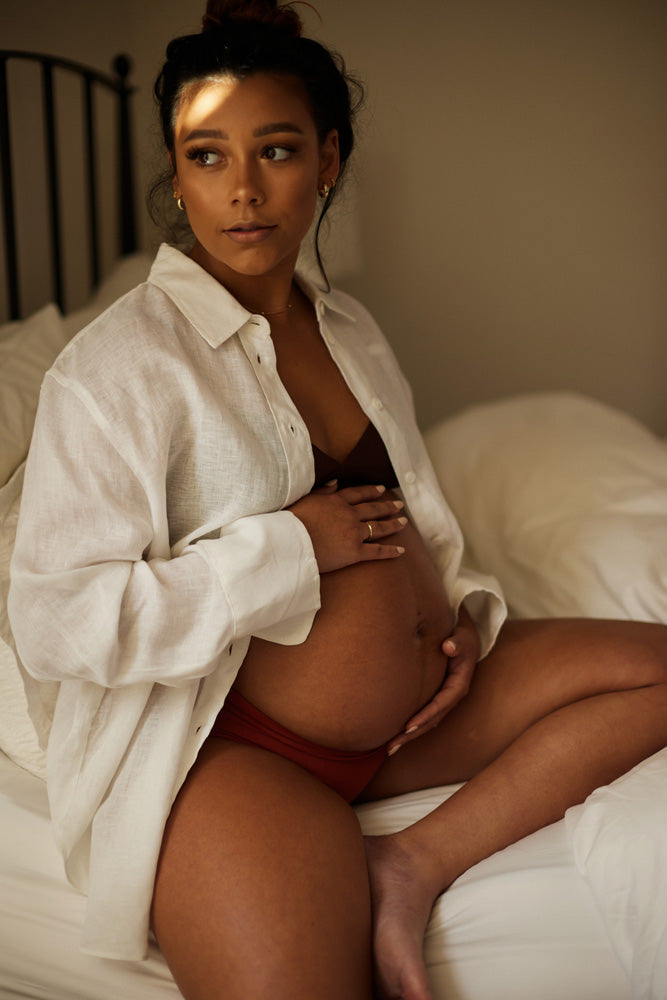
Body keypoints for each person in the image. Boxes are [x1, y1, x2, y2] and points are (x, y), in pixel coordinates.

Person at [7, 2, 667, 998]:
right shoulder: (117, 371)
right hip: (237, 754)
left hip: (412, 723)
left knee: (654, 668)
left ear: (327, 159)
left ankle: (410, 863)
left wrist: (461, 624)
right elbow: (57, 622)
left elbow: (420, 520)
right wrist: (286, 549)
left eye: (273, 150)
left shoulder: (349, 328)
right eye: (205, 154)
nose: (241, 190)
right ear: (178, 175)